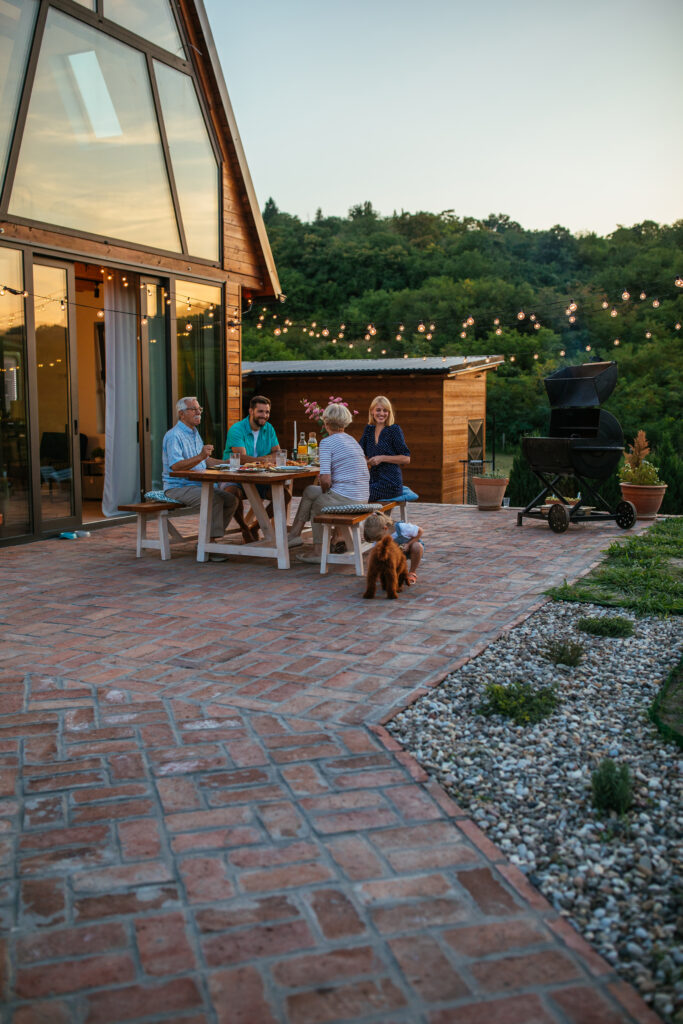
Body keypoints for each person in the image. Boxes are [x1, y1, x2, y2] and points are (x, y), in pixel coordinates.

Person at [288, 402, 369, 564]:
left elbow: (325, 479)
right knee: (311, 490)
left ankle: (319, 551)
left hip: (346, 498)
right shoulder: (352, 441)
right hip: (361, 496)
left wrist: (326, 493)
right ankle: (294, 535)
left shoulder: (327, 443)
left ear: (325, 422)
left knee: (318, 503)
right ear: (346, 421)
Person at [162, 397, 240, 558]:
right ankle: (208, 546)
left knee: (231, 499)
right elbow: (176, 466)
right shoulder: (173, 436)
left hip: (198, 485)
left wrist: (228, 463)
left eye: (200, 409)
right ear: (181, 414)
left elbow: (205, 460)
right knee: (213, 499)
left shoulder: (194, 433)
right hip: (178, 487)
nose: (198, 412)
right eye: (193, 409)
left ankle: (207, 539)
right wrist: (200, 456)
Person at [222, 395, 290, 532]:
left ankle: (255, 527)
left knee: (284, 496)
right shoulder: (237, 429)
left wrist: (260, 461)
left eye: (267, 412)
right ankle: (244, 529)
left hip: (260, 478)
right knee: (231, 493)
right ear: (251, 411)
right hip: (235, 476)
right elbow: (242, 458)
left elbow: (278, 453)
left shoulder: (269, 428)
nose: (264, 415)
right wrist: (266, 460)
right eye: (260, 411)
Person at [359, 396, 411, 502]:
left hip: (390, 482)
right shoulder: (369, 430)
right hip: (372, 479)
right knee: (353, 490)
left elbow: (406, 458)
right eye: (378, 410)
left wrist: (382, 458)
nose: (381, 414)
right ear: (372, 411)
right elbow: (359, 452)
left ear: (389, 412)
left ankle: (376, 518)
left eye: (385, 410)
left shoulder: (394, 430)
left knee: (360, 494)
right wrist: (364, 461)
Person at [363, 510, 423, 585]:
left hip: (407, 550)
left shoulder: (402, 527)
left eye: (379, 539)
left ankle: (412, 572)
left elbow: (420, 531)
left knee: (417, 546)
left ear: (385, 528)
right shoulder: (379, 533)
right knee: (371, 556)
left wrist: (408, 544)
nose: (378, 541)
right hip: (392, 554)